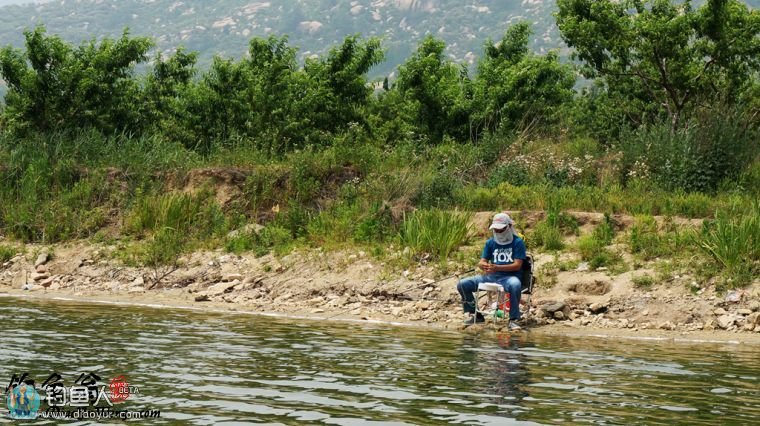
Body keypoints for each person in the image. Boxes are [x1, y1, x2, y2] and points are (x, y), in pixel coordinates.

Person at [457, 212, 526, 330]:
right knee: (463, 284)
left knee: (515, 284)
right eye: (496, 230)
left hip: (509, 277)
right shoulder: (490, 243)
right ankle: (476, 315)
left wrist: (498, 267)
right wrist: (483, 265)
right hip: (491, 276)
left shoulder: (517, 242)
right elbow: (482, 261)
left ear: (509, 227)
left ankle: (514, 318)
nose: (498, 232)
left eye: (501, 229)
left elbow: (517, 265)